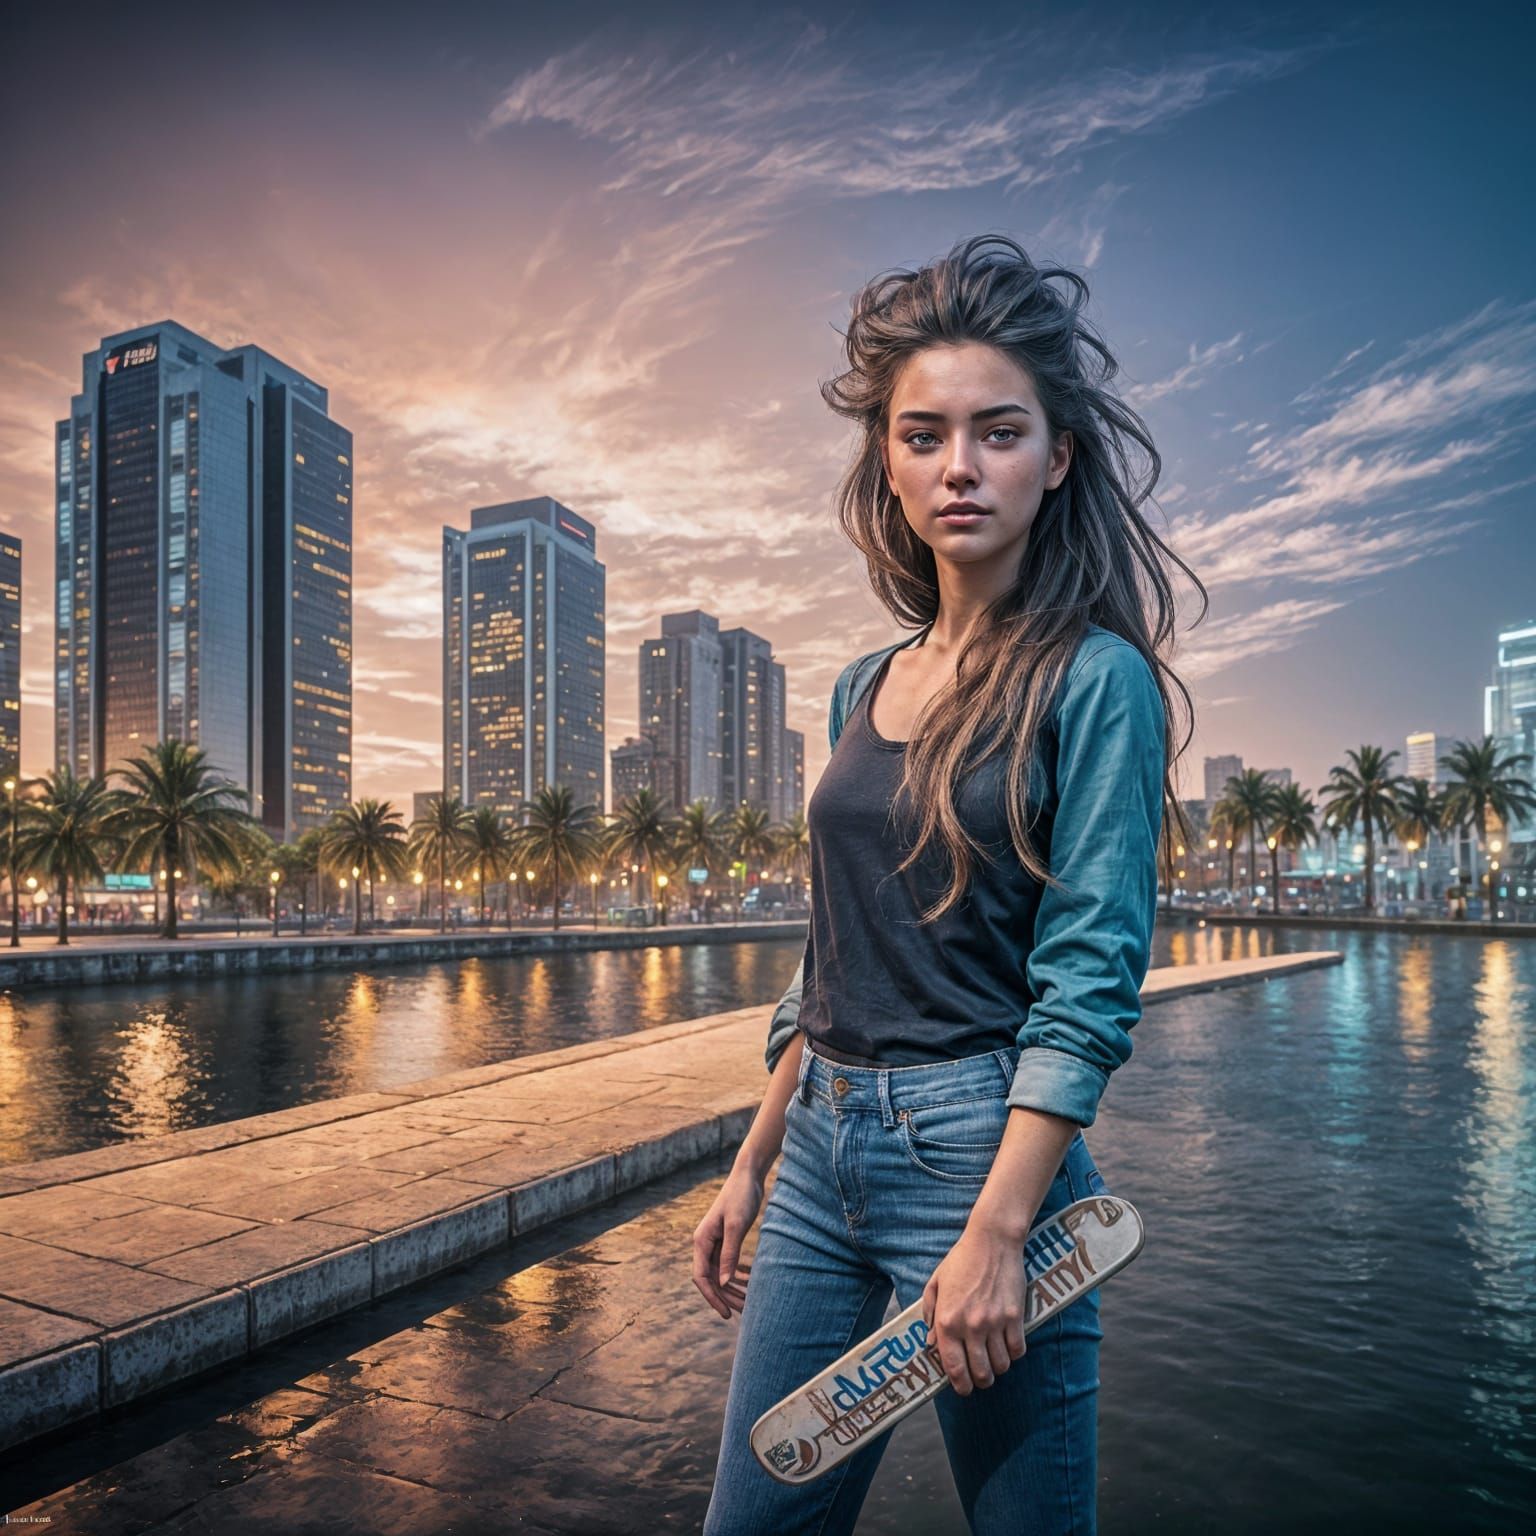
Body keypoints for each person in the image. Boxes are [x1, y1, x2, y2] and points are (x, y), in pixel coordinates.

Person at [694, 233, 1204, 1535]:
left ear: (1058, 454)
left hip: (984, 1159)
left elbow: (1090, 977)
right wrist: (753, 1160)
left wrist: (998, 1233)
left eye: (998, 431)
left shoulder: (1096, 682)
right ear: (889, 460)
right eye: (924, 436)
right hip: (819, 1155)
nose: (959, 467)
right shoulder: (868, 683)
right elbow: (835, 954)